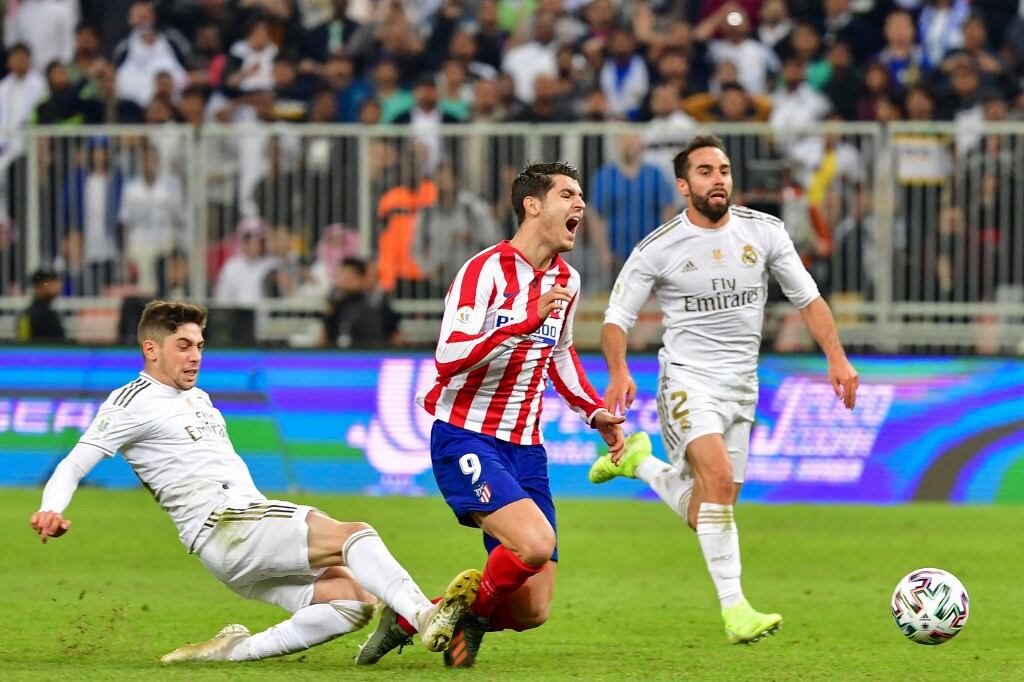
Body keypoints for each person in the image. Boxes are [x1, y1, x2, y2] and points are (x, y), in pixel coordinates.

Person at [29, 300, 480, 663]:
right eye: (183, 346)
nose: (195, 356)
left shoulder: (198, 397)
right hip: (228, 525)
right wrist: (52, 508)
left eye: (199, 345)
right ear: (151, 349)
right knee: (354, 535)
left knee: (352, 601)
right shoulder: (131, 401)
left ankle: (234, 652)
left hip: (235, 536)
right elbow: (73, 463)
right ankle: (423, 615)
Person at [589, 135, 859, 644]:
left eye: (724, 170)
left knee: (710, 508)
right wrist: (619, 371)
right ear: (683, 185)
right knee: (714, 479)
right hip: (687, 379)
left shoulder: (765, 231)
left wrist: (836, 356)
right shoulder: (658, 247)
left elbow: (808, 298)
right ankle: (736, 611)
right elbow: (616, 318)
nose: (718, 180)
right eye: (706, 171)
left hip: (742, 386)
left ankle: (639, 463)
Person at [355, 162, 626, 668]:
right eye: (567, 195)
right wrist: (521, 322)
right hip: (467, 436)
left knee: (532, 610)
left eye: (581, 196)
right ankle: (462, 617)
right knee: (535, 544)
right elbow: (448, 356)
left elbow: (560, 353)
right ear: (532, 205)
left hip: (527, 449)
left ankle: (414, 616)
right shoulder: (484, 271)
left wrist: (594, 412)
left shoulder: (567, 279)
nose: (580, 205)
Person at [17, 267, 67, 343]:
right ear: (39, 286)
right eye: (52, 280)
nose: (57, 285)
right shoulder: (41, 315)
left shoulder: (27, 313)